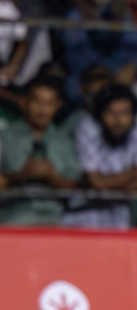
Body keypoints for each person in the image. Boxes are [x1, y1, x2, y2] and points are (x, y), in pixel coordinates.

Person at [64, 84, 137, 230]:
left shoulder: (136, 129)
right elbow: (97, 182)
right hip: (84, 215)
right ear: (100, 114)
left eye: (125, 113)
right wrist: (136, 176)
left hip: (120, 217)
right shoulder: (88, 128)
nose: (118, 120)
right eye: (111, 113)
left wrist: (112, 182)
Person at [0, 78, 80, 226]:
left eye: (49, 103)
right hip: (13, 218)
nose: (42, 110)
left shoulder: (65, 141)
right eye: (37, 102)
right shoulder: (5, 137)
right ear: (24, 102)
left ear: (57, 105)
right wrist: (23, 175)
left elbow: (75, 185)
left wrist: (51, 176)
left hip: (56, 219)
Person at [61, 0, 137, 96]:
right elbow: (75, 51)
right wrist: (103, 72)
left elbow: (134, 46)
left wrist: (130, 67)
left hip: (120, 73)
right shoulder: (75, 15)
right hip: (88, 75)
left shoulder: (125, 14)